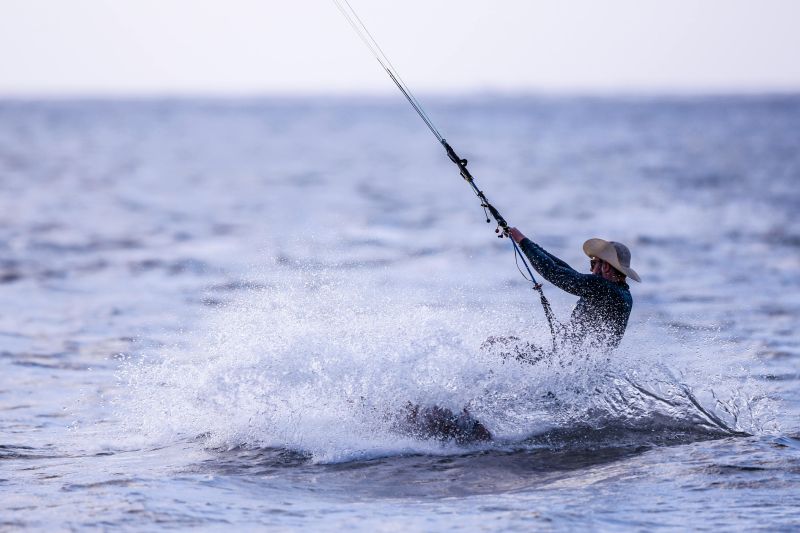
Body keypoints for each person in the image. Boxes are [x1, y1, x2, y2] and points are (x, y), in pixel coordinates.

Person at [506, 228, 641, 354]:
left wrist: (522, 241)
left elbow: (554, 272)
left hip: (568, 363)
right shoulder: (620, 293)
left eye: (593, 263)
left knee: (503, 344)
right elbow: (564, 269)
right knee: (508, 343)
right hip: (577, 363)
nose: (591, 269)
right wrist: (525, 241)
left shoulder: (603, 287)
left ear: (605, 266)